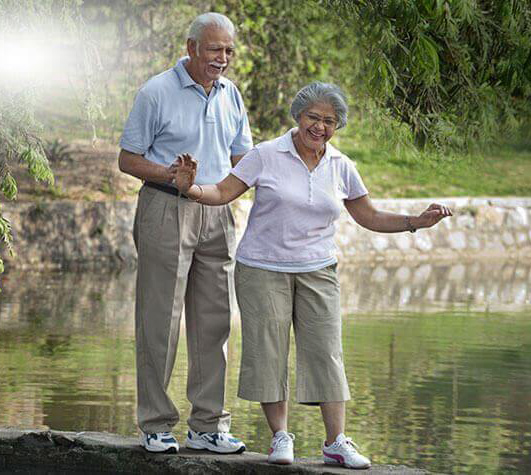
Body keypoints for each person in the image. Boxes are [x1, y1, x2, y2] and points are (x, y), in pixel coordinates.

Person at [173, 81, 452, 468]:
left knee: (326, 353)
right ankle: (280, 436)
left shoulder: (340, 165)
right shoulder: (266, 154)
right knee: (268, 353)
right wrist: (191, 189)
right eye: (313, 118)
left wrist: (415, 222)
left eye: (329, 121)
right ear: (298, 116)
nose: (320, 127)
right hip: (262, 268)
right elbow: (222, 192)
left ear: (337, 126)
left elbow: (368, 215)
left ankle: (336, 441)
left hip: (318, 269)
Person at [117, 12, 252, 455]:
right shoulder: (156, 91)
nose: (223, 58)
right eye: (215, 49)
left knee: (215, 321)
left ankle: (208, 426)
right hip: (166, 208)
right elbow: (127, 159)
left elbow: (243, 159)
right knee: (160, 320)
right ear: (192, 47)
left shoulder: (231, 94)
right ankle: (155, 424)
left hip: (217, 209)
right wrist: (171, 175)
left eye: (229, 50)